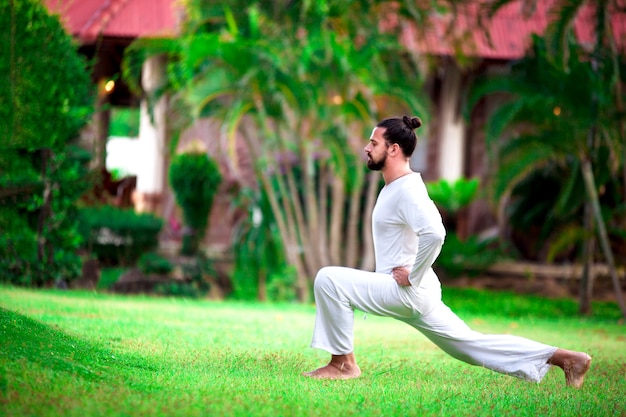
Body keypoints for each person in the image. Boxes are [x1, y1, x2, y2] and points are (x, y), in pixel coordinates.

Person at [303, 115, 592, 388]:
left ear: (393, 149)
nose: (367, 148)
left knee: (329, 279)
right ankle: (567, 359)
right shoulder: (395, 187)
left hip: (406, 290)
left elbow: (436, 233)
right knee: (468, 346)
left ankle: (343, 365)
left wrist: (413, 276)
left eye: (374, 143)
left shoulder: (407, 190)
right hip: (411, 290)